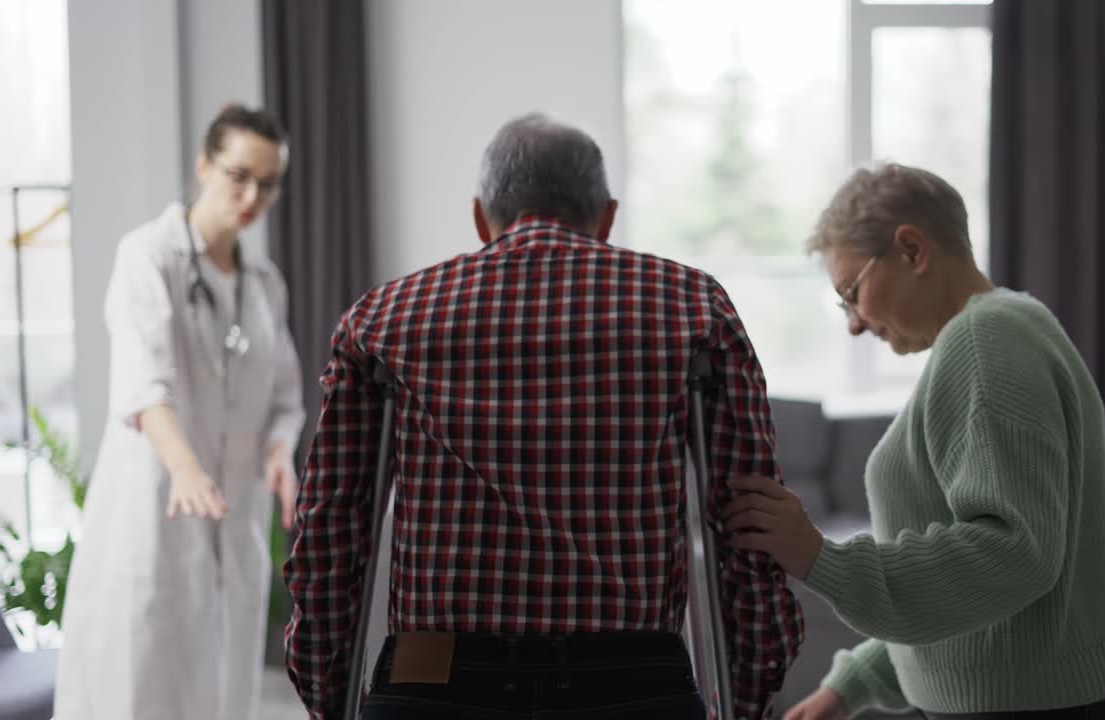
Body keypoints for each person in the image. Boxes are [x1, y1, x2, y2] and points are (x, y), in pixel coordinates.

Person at [283, 113, 804, 720]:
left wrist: (325, 683)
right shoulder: (693, 307)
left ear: (481, 218)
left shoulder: (384, 317)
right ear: (607, 218)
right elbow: (749, 520)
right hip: (634, 680)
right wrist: (750, 686)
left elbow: (332, 520)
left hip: (434, 678)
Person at [721, 163, 1105, 719]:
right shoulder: (1011, 326)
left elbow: (1013, 554)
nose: (854, 323)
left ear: (912, 251)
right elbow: (977, 596)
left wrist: (821, 558)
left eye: (851, 293)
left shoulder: (984, 340)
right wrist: (851, 685)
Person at [54, 104, 305, 720]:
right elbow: (144, 385)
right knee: (141, 685)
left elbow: (284, 395)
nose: (252, 197)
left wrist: (279, 453)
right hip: (158, 508)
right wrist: (186, 470)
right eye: (238, 176)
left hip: (234, 514)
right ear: (204, 165)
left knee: (223, 686)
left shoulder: (265, 283)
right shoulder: (148, 256)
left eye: (268, 183)